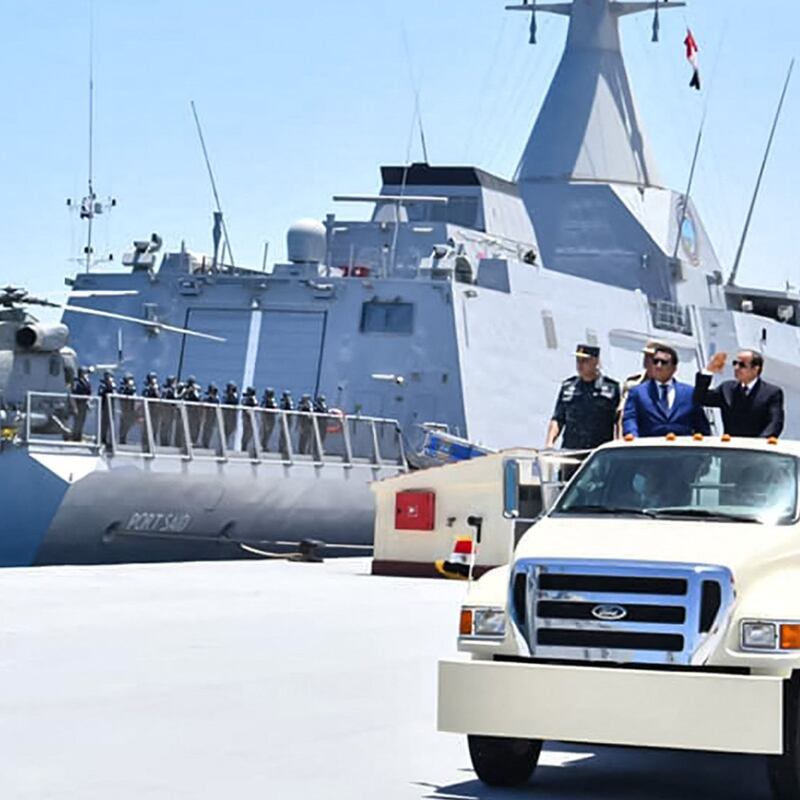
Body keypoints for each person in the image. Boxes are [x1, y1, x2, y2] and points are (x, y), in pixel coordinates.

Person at [623, 345, 710, 438]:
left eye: (663, 362)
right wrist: (633, 437)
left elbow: (701, 425)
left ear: (674, 368)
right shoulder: (638, 392)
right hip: (649, 448)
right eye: (655, 361)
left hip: (682, 448)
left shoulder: (689, 393)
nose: (658, 366)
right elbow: (630, 419)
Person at [693, 350, 784, 438]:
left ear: (756, 369)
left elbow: (775, 423)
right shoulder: (727, 389)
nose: (736, 368)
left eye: (742, 365)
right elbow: (701, 398)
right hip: (732, 448)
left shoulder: (772, 393)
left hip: (757, 449)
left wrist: (759, 443)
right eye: (735, 363)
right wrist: (709, 370)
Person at [545, 345, 620, 450]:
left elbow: (618, 421)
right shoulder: (568, 387)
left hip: (598, 453)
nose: (580, 364)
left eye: (584, 360)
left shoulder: (611, 388)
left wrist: (618, 445)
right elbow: (558, 418)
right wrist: (549, 443)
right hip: (571, 450)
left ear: (596, 361)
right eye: (578, 360)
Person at [616, 342, 660, 437]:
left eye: (651, 357)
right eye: (646, 356)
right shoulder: (632, 384)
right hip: (636, 443)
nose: (647, 360)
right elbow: (622, 416)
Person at [69, 367, 92, 442]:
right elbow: (72, 395)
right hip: (78, 403)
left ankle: (79, 436)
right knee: (77, 421)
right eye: (85, 373)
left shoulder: (86, 382)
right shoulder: (76, 382)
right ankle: (75, 437)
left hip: (84, 404)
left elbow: (88, 393)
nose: (86, 375)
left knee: (82, 421)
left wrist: (88, 402)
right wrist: (74, 407)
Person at [142, 373, 161, 445]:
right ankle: (146, 443)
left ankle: (154, 442)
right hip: (148, 410)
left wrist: (155, 390)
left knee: (155, 427)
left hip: (156, 411)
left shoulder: (157, 387)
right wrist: (150, 389)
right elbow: (145, 396)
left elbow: (159, 396)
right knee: (147, 427)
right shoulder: (146, 388)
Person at [160, 376, 178, 446]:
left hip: (171, 412)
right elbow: (174, 398)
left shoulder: (173, 390)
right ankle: (164, 442)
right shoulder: (168, 390)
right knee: (165, 427)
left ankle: (167, 441)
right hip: (166, 411)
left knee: (169, 427)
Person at [201, 383, 220, 449]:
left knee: (210, 431)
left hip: (212, 418)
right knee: (205, 430)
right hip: (207, 418)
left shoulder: (216, 400)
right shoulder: (207, 399)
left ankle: (207, 444)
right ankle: (204, 443)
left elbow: (216, 404)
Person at [241, 387, 258, 453]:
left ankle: (244, 446)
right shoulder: (248, 400)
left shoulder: (252, 400)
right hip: (248, 420)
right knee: (247, 433)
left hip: (249, 419)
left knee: (248, 434)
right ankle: (244, 447)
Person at [260, 388, 278, 452]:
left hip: (269, 419)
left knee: (266, 433)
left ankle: (264, 445)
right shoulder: (267, 401)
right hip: (267, 419)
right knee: (265, 433)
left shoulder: (269, 400)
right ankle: (263, 445)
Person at [222, 382, 239, 447]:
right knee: (225, 431)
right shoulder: (226, 396)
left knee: (230, 431)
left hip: (231, 417)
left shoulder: (234, 397)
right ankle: (224, 445)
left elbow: (235, 402)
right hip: (226, 416)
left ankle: (226, 444)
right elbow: (224, 401)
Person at [279, 390, 294, 458]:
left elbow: (291, 409)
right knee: (283, 434)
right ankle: (282, 448)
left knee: (286, 434)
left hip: (288, 420)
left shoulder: (290, 402)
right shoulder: (283, 402)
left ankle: (284, 448)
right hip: (284, 420)